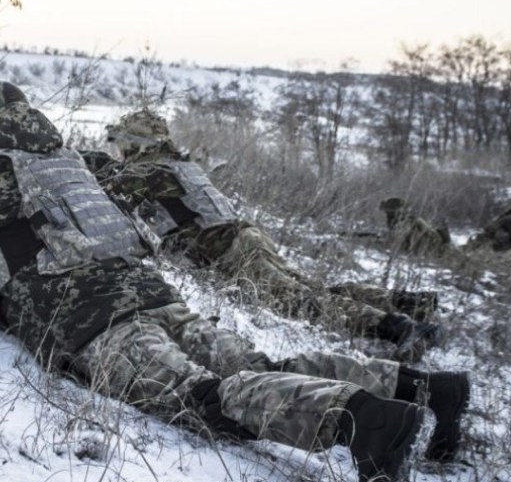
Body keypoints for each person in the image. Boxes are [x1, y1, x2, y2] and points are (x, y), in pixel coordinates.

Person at [0, 79, 471, 482]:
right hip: (154, 295)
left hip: (92, 319)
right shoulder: (66, 159)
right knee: (254, 364)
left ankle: (366, 424)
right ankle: (425, 389)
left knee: (203, 401)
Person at [83, 108, 440, 361]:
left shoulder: (152, 170)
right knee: (309, 291)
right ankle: (404, 302)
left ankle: (397, 327)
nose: (120, 150)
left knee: (301, 302)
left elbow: (110, 188)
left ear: (137, 145)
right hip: (244, 238)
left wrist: (81, 161)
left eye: (124, 144)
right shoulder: (177, 163)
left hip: (232, 250)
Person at [379, 197, 452, 257]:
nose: (386, 215)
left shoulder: (407, 223)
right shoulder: (410, 221)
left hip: (433, 252)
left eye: (388, 212)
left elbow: (400, 244)